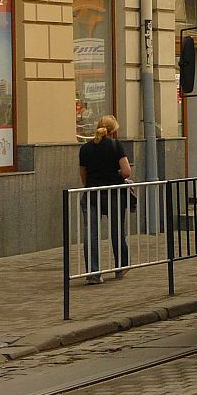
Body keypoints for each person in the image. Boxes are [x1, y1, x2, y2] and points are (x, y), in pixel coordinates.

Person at [78, 115, 132, 284]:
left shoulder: (85, 148)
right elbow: (126, 171)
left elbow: (83, 177)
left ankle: (93, 273)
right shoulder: (116, 146)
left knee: (91, 234)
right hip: (113, 194)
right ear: (113, 130)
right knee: (117, 232)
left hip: (92, 195)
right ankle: (121, 267)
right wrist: (114, 175)